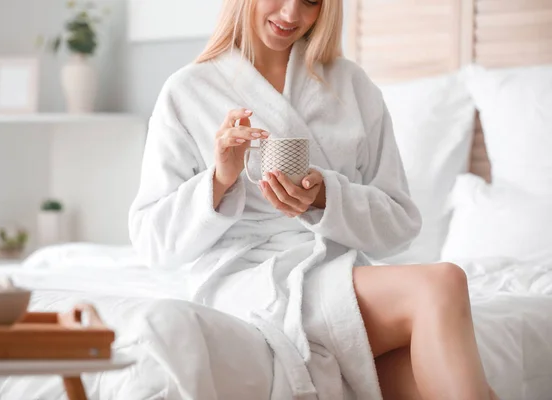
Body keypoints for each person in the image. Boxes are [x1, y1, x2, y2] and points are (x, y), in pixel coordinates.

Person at [129, 0, 499, 399]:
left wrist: (326, 197)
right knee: (441, 283)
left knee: (427, 382)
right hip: (246, 282)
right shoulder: (187, 91)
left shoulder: (351, 85)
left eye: (310, 1)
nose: (291, 15)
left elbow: (399, 225)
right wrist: (219, 179)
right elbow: (153, 244)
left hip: (336, 272)